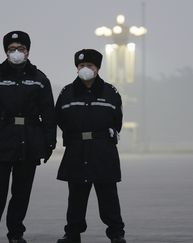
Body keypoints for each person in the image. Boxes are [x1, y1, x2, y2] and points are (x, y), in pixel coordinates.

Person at [0, 30, 56, 243]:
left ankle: (16, 234)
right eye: (11, 49)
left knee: (21, 193)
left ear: (28, 51)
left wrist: (50, 142)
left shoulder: (39, 79)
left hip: (30, 141)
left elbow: (48, 113)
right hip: (2, 141)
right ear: (5, 52)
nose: (16, 52)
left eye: (20, 49)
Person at [55, 49, 126, 243]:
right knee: (76, 197)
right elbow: (59, 118)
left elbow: (117, 119)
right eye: (81, 66)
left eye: (90, 66)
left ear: (98, 68)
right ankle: (72, 233)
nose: (85, 69)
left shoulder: (110, 92)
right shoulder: (67, 92)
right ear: (76, 68)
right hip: (77, 150)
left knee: (108, 196)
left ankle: (116, 234)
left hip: (103, 150)